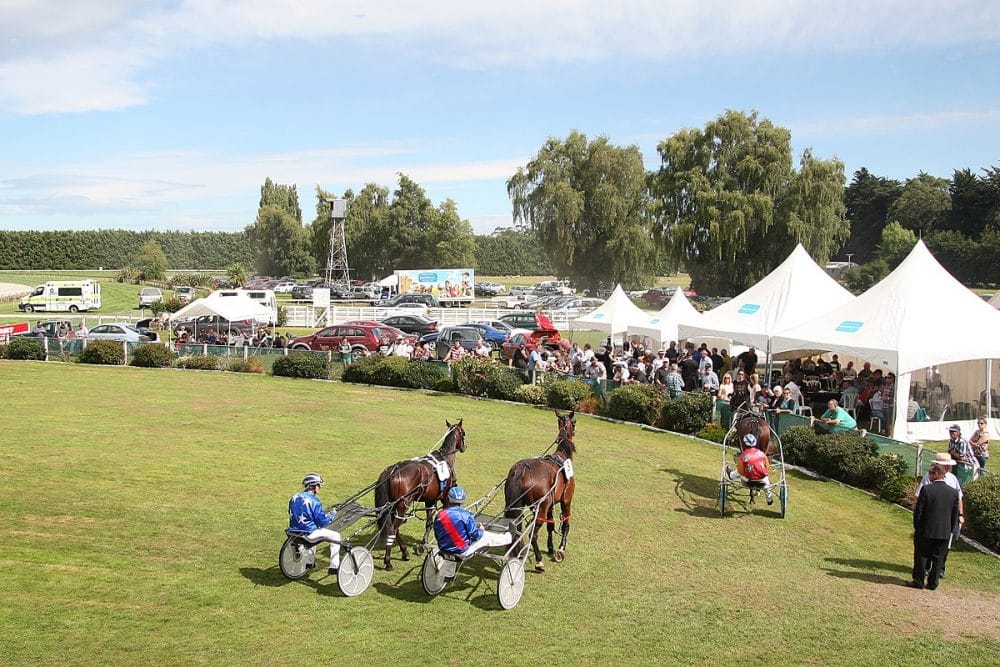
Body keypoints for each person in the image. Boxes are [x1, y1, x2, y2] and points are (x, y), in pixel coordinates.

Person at [907, 462, 960, 591]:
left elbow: (919, 511)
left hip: (926, 530)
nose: (929, 475)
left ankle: (918, 581)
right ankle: (933, 583)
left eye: (931, 473)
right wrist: (950, 530)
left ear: (937, 474)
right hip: (944, 532)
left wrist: (918, 527)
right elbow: (954, 514)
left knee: (921, 555)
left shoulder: (927, 490)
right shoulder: (953, 493)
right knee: (938, 558)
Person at [917, 453, 965, 579]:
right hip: (932, 517)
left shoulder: (953, 479)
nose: (948, 468)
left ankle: (939, 570)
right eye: (946, 465)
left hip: (946, 517)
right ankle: (926, 569)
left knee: (944, 546)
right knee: (927, 546)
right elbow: (921, 498)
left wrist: (960, 514)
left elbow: (959, 498)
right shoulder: (929, 477)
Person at [433, 486, 512, 557]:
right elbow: (475, 535)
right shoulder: (466, 515)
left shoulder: (439, 515)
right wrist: (481, 530)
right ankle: (508, 537)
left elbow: (437, 533)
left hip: (443, 548)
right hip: (462, 551)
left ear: (449, 498)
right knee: (486, 536)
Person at [288, 473, 341, 575]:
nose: (319, 488)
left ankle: (309, 563)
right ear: (313, 486)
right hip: (308, 534)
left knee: (315, 530)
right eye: (318, 485)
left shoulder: (294, 497)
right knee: (336, 536)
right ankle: (334, 566)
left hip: (293, 532)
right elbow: (323, 523)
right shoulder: (315, 501)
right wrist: (332, 514)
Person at [725, 433, 773, 505]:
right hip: (762, 480)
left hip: (748, 481)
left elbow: (741, 471)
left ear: (745, 444)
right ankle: (769, 500)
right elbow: (767, 467)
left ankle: (731, 475)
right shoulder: (762, 454)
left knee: (738, 472)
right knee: (767, 485)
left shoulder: (743, 456)